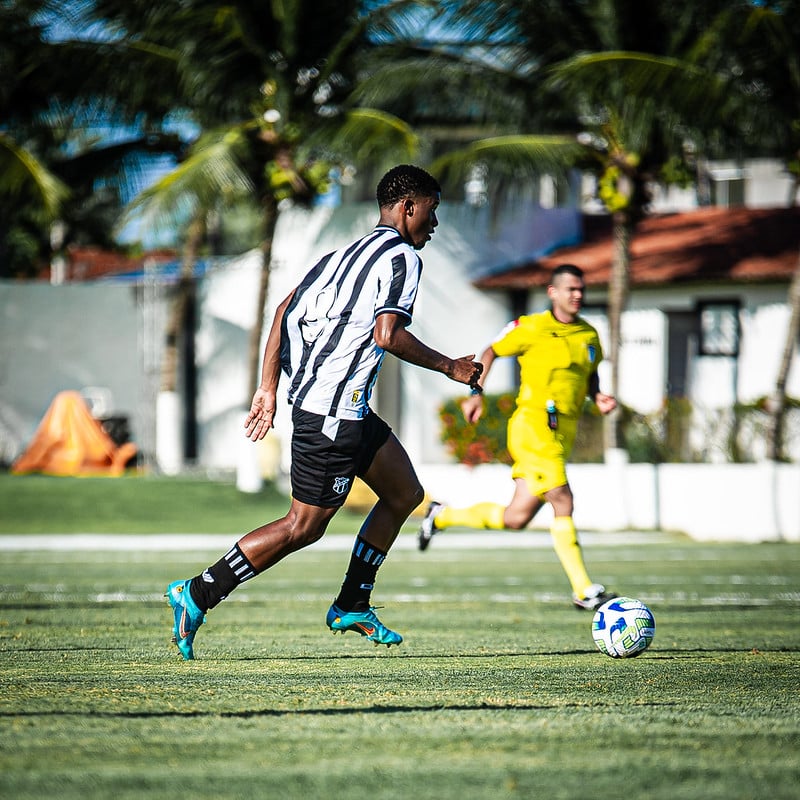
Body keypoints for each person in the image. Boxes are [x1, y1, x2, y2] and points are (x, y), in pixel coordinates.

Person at [166, 164, 483, 659]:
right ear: (408, 207)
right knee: (302, 526)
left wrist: (268, 388)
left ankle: (353, 602)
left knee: (404, 493)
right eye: (433, 211)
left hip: (344, 411)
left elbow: (282, 312)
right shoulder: (401, 259)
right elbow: (387, 334)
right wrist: (451, 367)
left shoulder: (340, 255)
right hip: (331, 418)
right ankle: (197, 593)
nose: (435, 224)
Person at [417, 263, 618, 610]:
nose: (578, 295)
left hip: (562, 433)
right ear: (553, 292)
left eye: (581, 289)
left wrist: (597, 395)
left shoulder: (589, 335)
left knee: (516, 518)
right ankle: (584, 590)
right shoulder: (532, 327)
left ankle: (442, 516)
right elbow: (491, 351)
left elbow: (589, 374)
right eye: (570, 289)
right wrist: (476, 392)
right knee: (562, 498)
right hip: (533, 425)